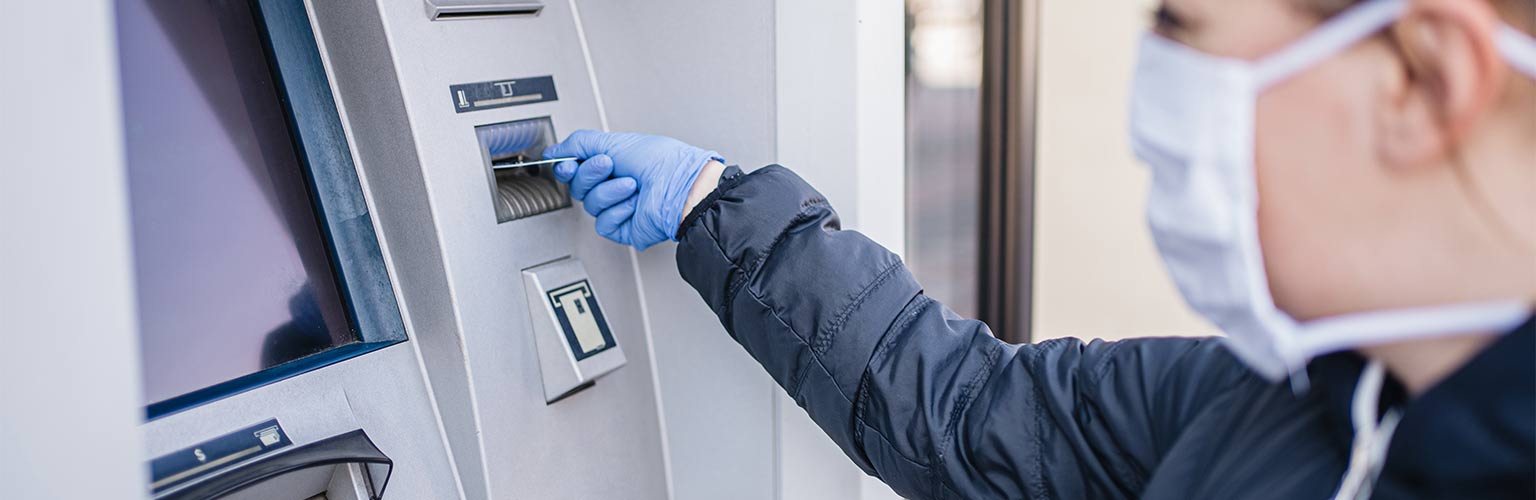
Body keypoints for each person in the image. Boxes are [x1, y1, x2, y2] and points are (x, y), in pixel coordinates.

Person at [544, 0, 1536, 497]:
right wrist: (715, 203)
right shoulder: (1292, 402)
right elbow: (971, 408)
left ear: (1426, 81)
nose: (1160, 93)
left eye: (1184, 25)